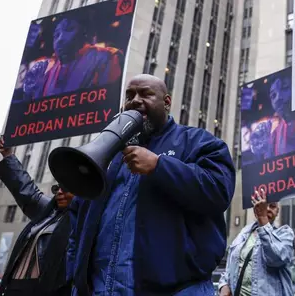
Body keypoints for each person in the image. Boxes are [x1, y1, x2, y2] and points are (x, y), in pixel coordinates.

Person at [66, 74, 236, 295]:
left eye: (146, 93)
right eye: (130, 95)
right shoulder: (107, 155)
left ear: (166, 102)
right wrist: (74, 277)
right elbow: (77, 223)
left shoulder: (198, 142)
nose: (135, 100)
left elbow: (219, 189)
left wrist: (159, 166)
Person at [0, 137, 74, 296]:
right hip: (14, 287)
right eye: (57, 187)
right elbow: (27, 191)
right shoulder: (48, 212)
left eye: (66, 188)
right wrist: (8, 155)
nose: (59, 192)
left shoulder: (82, 221)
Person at [217, 188, 294, 296]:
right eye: (263, 205)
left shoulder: (285, 234)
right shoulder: (243, 234)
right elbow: (230, 268)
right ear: (255, 209)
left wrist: (263, 218)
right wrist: (224, 286)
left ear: (277, 211)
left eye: (272, 206)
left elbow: (276, 258)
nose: (267, 209)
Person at [25, 17, 123, 100]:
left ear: (84, 32)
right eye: (56, 34)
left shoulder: (106, 56)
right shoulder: (46, 69)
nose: (60, 39)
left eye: (69, 29)